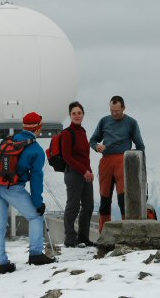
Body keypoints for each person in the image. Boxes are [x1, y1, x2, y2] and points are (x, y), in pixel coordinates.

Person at [0, 112, 55, 275]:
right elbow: (36, 180)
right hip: (13, 188)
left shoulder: (8, 141)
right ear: (39, 127)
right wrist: (38, 204)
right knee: (36, 216)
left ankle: (1, 264)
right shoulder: (37, 150)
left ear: (23, 126)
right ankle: (36, 254)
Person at [89, 96, 145, 232]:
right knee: (105, 199)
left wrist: (137, 163)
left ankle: (127, 230)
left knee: (123, 199)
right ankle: (104, 232)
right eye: (112, 111)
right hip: (106, 160)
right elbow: (92, 140)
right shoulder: (104, 121)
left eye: (117, 111)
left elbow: (140, 146)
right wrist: (97, 147)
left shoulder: (131, 123)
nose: (114, 114)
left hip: (123, 161)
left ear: (124, 108)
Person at [61, 101, 95, 247]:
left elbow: (85, 156)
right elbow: (67, 157)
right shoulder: (67, 133)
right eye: (74, 113)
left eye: (79, 113)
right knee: (73, 206)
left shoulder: (82, 132)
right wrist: (84, 171)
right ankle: (70, 239)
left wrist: (89, 171)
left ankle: (83, 237)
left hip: (86, 174)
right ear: (69, 115)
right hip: (73, 175)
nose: (76, 116)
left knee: (88, 206)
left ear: (83, 114)